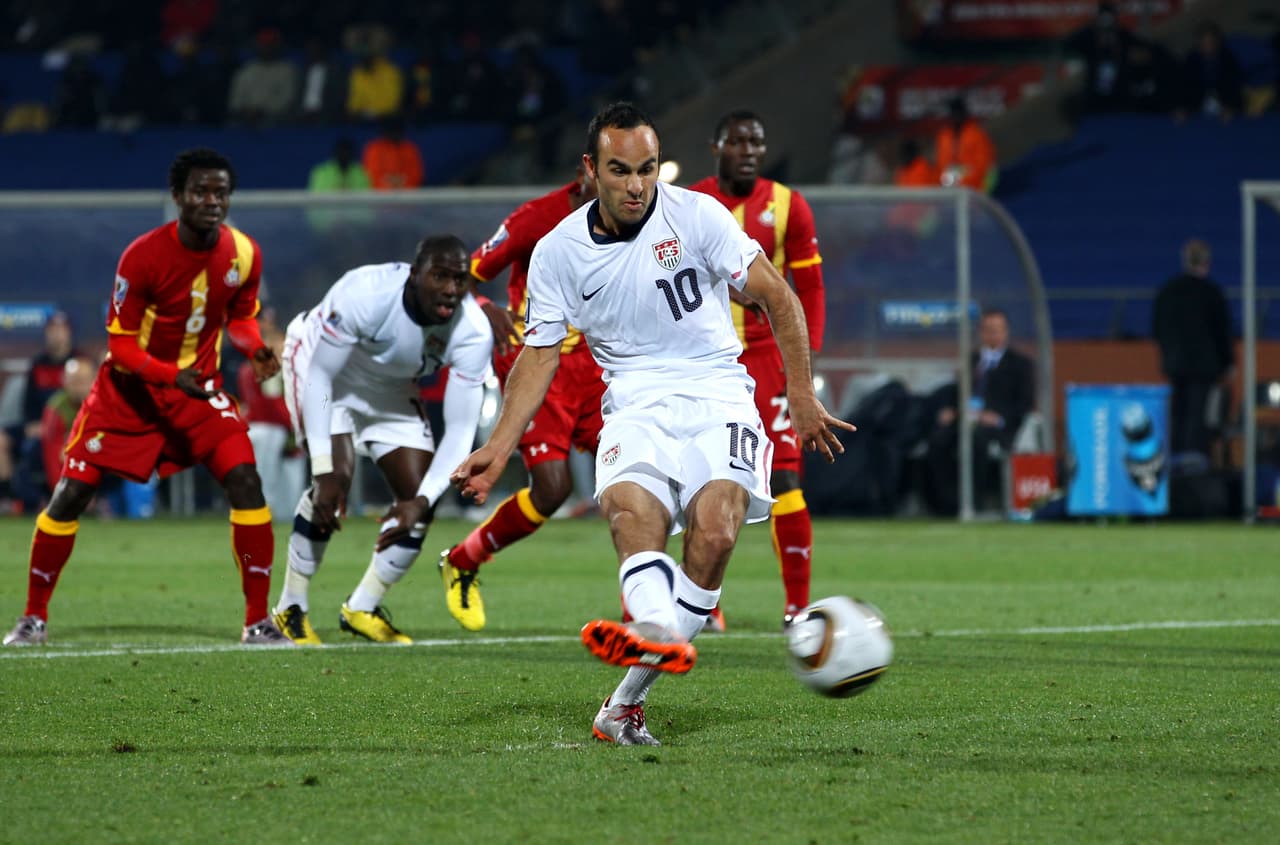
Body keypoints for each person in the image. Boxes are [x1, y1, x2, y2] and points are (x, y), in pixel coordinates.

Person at [451, 102, 853, 746]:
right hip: (634, 402)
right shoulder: (558, 250)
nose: (637, 185)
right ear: (591, 170)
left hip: (718, 392)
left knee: (715, 533)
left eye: (647, 169)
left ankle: (626, 697)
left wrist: (801, 392)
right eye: (620, 171)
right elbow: (539, 353)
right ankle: (654, 629)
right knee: (632, 513)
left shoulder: (698, 215)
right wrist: (499, 447)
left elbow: (778, 295)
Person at [2, 148, 291, 647]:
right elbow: (119, 346)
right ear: (178, 196)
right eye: (200, 192)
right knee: (71, 494)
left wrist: (255, 348)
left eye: (220, 192)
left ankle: (257, 621)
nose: (211, 201)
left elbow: (242, 317)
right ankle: (33, 617)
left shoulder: (244, 253)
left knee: (245, 480)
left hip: (197, 393)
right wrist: (170, 376)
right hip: (128, 394)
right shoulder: (142, 257)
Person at [271, 234, 493, 646]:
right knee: (332, 482)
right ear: (414, 275)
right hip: (326, 371)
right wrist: (322, 468)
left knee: (422, 494)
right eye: (440, 276)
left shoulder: (473, 332)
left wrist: (421, 501)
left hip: (390, 387)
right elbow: (320, 375)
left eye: (460, 279)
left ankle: (362, 607)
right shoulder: (366, 294)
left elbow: (461, 429)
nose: (450, 289)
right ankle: (291, 607)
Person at [437, 164, 600, 631]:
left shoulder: (631, 218)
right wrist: (484, 306)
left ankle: (660, 608)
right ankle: (464, 559)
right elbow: (466, 275)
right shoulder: (535, 218)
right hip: (536, 362)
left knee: (640, 474)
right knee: (552, 489)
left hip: (596, 364)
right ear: (587, 170)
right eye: (612, 170)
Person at [688, 109, 827, 629]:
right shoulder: (691, 204)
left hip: (770, 361)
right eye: (737, 141)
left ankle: (797, 608)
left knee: (787, 475)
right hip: (709, 362)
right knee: (704, 480)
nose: (748, 151)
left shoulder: (789, 206)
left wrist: (803, 365)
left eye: (756, 143)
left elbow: (809, 288)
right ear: (716, 147)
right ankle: (704, 602)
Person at [924, 308, 1035, 515]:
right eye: (987, 329)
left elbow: (1025, 403)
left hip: (998, 427)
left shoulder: (1020, 364)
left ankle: (976, 501)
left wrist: (999, 418)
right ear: (981, 332)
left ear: (1005, 332)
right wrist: (951, 410)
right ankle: (945, 503)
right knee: (939, 440)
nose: (992, 334)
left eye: (997, 329)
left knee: (977, 440)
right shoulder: (971, 361)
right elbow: (957, 392)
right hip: (966, 419)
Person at [1152, 238, 1233, 458]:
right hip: (1204, 366)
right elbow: (1222, 331)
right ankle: (1195, 460)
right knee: (1199, 415)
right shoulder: (1212, 293)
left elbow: (1157, 328)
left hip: (1176, 364)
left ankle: (1175, 457)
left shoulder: (1168, 291)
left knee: (1178, 412)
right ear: (1206, 262)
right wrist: (1227, 363)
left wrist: (1169, 353)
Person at [237, 320, 305, 519]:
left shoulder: (248, 366)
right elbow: (273, 403)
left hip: (257, 427)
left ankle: (262, 512)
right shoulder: (268, 366)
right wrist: (296, 423)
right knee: (267, 478)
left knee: (263, 476)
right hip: (269, 429)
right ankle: (262, 513)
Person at [935, 97, 996, 193]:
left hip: (975, 188)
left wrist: (963, 183)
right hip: (952, 188)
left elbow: (983, 167)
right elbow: (942, 166)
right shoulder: (944, 137)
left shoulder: (977, 135)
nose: (955, 117)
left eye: (957, 113)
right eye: (952, 114)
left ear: (963, 114)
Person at [363, 116, 424, 190]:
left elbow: (416, 175)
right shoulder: (374, 148)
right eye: (391, 130)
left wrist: (402, 183)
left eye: (397, 130)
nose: (394, 134)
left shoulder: (409, 148)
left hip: (407, 192)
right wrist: (389, 184)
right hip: (381, 193)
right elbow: (372, 175)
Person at [307, 138, 371, 192]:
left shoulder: (361, 173)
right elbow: (316, 198)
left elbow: (365, 199)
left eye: (347, 152)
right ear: (335, 153)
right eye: (341, 152)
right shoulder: (321, 172)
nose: (344, 155)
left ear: (353, 154)